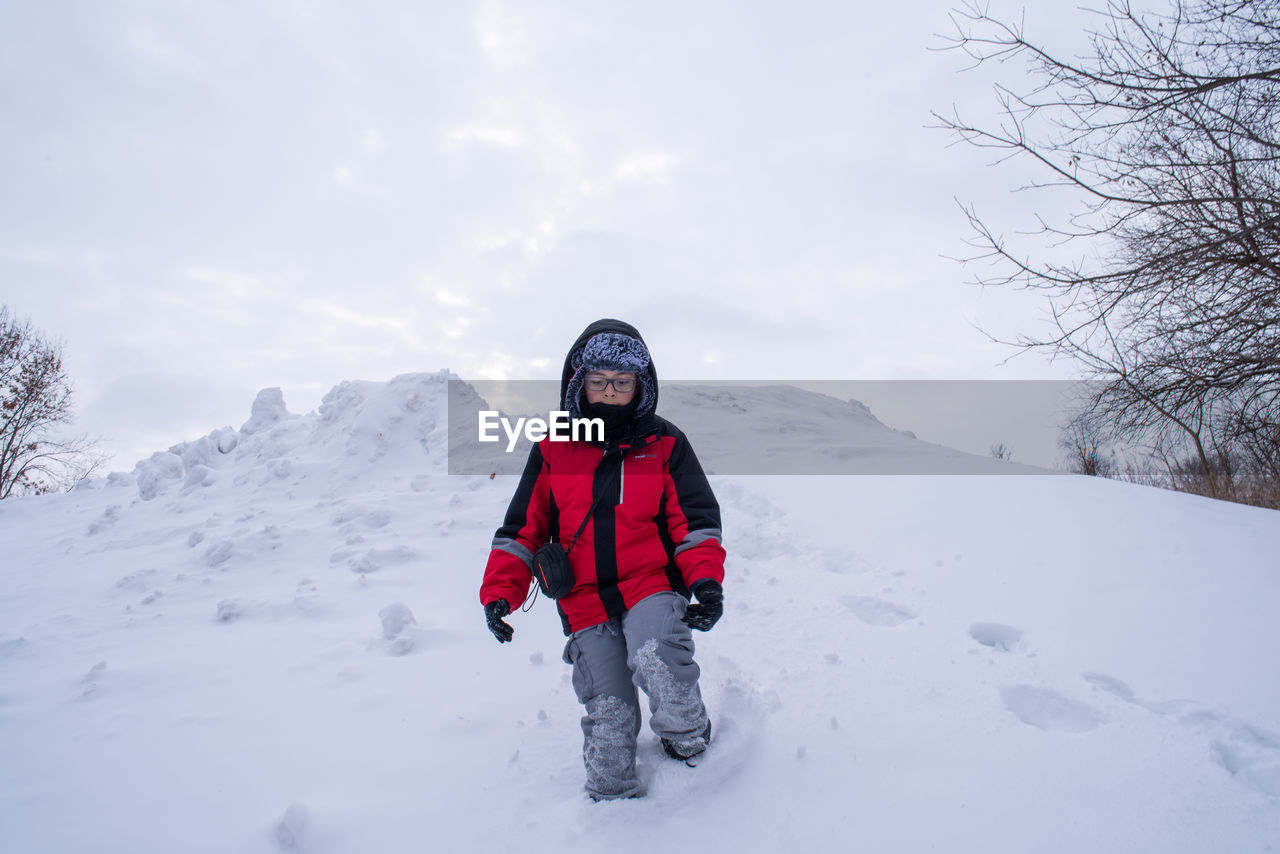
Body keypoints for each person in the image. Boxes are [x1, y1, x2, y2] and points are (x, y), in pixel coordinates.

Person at [479, 318, 727, 801]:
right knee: (609, 716)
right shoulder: (552, 448)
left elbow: (692, 520)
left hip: (649, 582)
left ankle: (688, 738)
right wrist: (500, 595)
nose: (610, 392)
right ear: (579, 383)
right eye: (598, 381)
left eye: (622, 382)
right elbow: (520, 529)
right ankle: (611, 808)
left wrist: (705, 583)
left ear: (641, 385)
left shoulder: (666, 444)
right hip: (584, 598)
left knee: (657, 658)